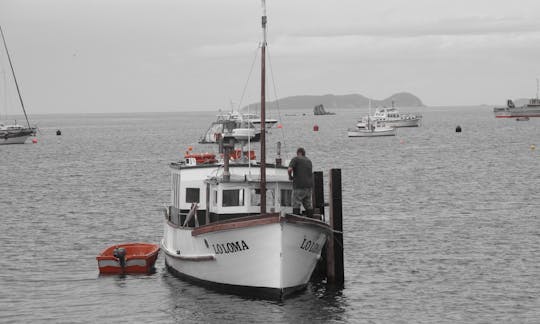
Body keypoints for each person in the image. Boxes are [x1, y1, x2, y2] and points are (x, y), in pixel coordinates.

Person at [288, 147, 314, 217]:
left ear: (298, 153)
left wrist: (290, 177)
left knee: (296, 203)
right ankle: (311, 220)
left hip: (299, 186)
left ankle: (296, 221)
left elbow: (289, 169)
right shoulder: (309, 161)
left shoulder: (295, 159)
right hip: (308, 187)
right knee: (308, 205)